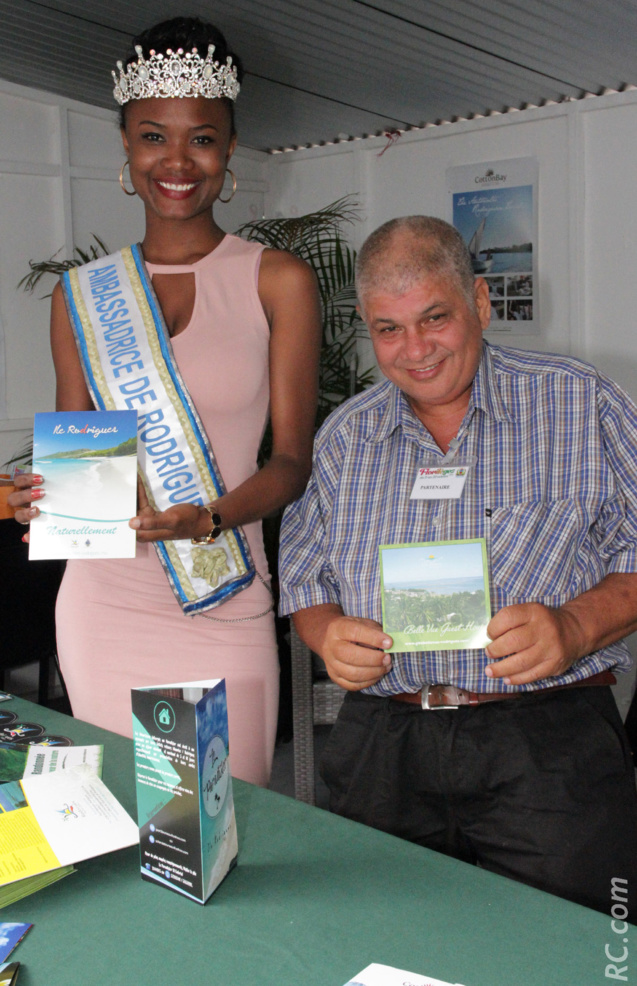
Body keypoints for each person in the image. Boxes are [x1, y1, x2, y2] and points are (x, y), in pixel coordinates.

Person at [279, 215, 637, 916]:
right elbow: (303, 578)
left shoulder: (577, 400)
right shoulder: (346, 436)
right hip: (384, 738)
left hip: (546, 739)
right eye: (387, 329)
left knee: (570, 946)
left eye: (434, 318)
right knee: (374, 936)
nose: (414, 350)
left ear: (478, 302)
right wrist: (326, 636)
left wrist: (572, 624)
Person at [10, 17, 321, 787]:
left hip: (220, 592)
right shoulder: (79, 296)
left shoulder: (275, 279)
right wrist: (37, 501)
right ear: (125, 146)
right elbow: (83, 459)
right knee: (125, 826)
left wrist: (208, 516)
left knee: (217, 824)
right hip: (102, 604)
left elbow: (290, 463)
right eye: (153, 136)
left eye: (202, 140)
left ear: (229, 152)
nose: (177, 162)